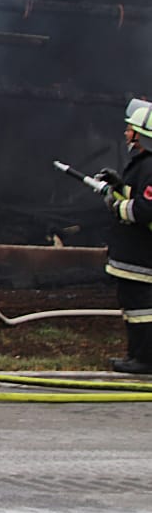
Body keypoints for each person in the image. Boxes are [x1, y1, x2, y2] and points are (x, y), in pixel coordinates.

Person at [94, 99, 152, 374]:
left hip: (143, 257)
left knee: (143, 310)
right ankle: (135, 356)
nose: (127, 134)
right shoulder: (143, 165)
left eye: (131, 129)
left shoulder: (151, 166)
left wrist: (115, 206)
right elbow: (138, 195)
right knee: (133, 308)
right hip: (134, 256)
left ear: (142, 134)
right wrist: (119, 185)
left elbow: (145, 209)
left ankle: (145, 360)